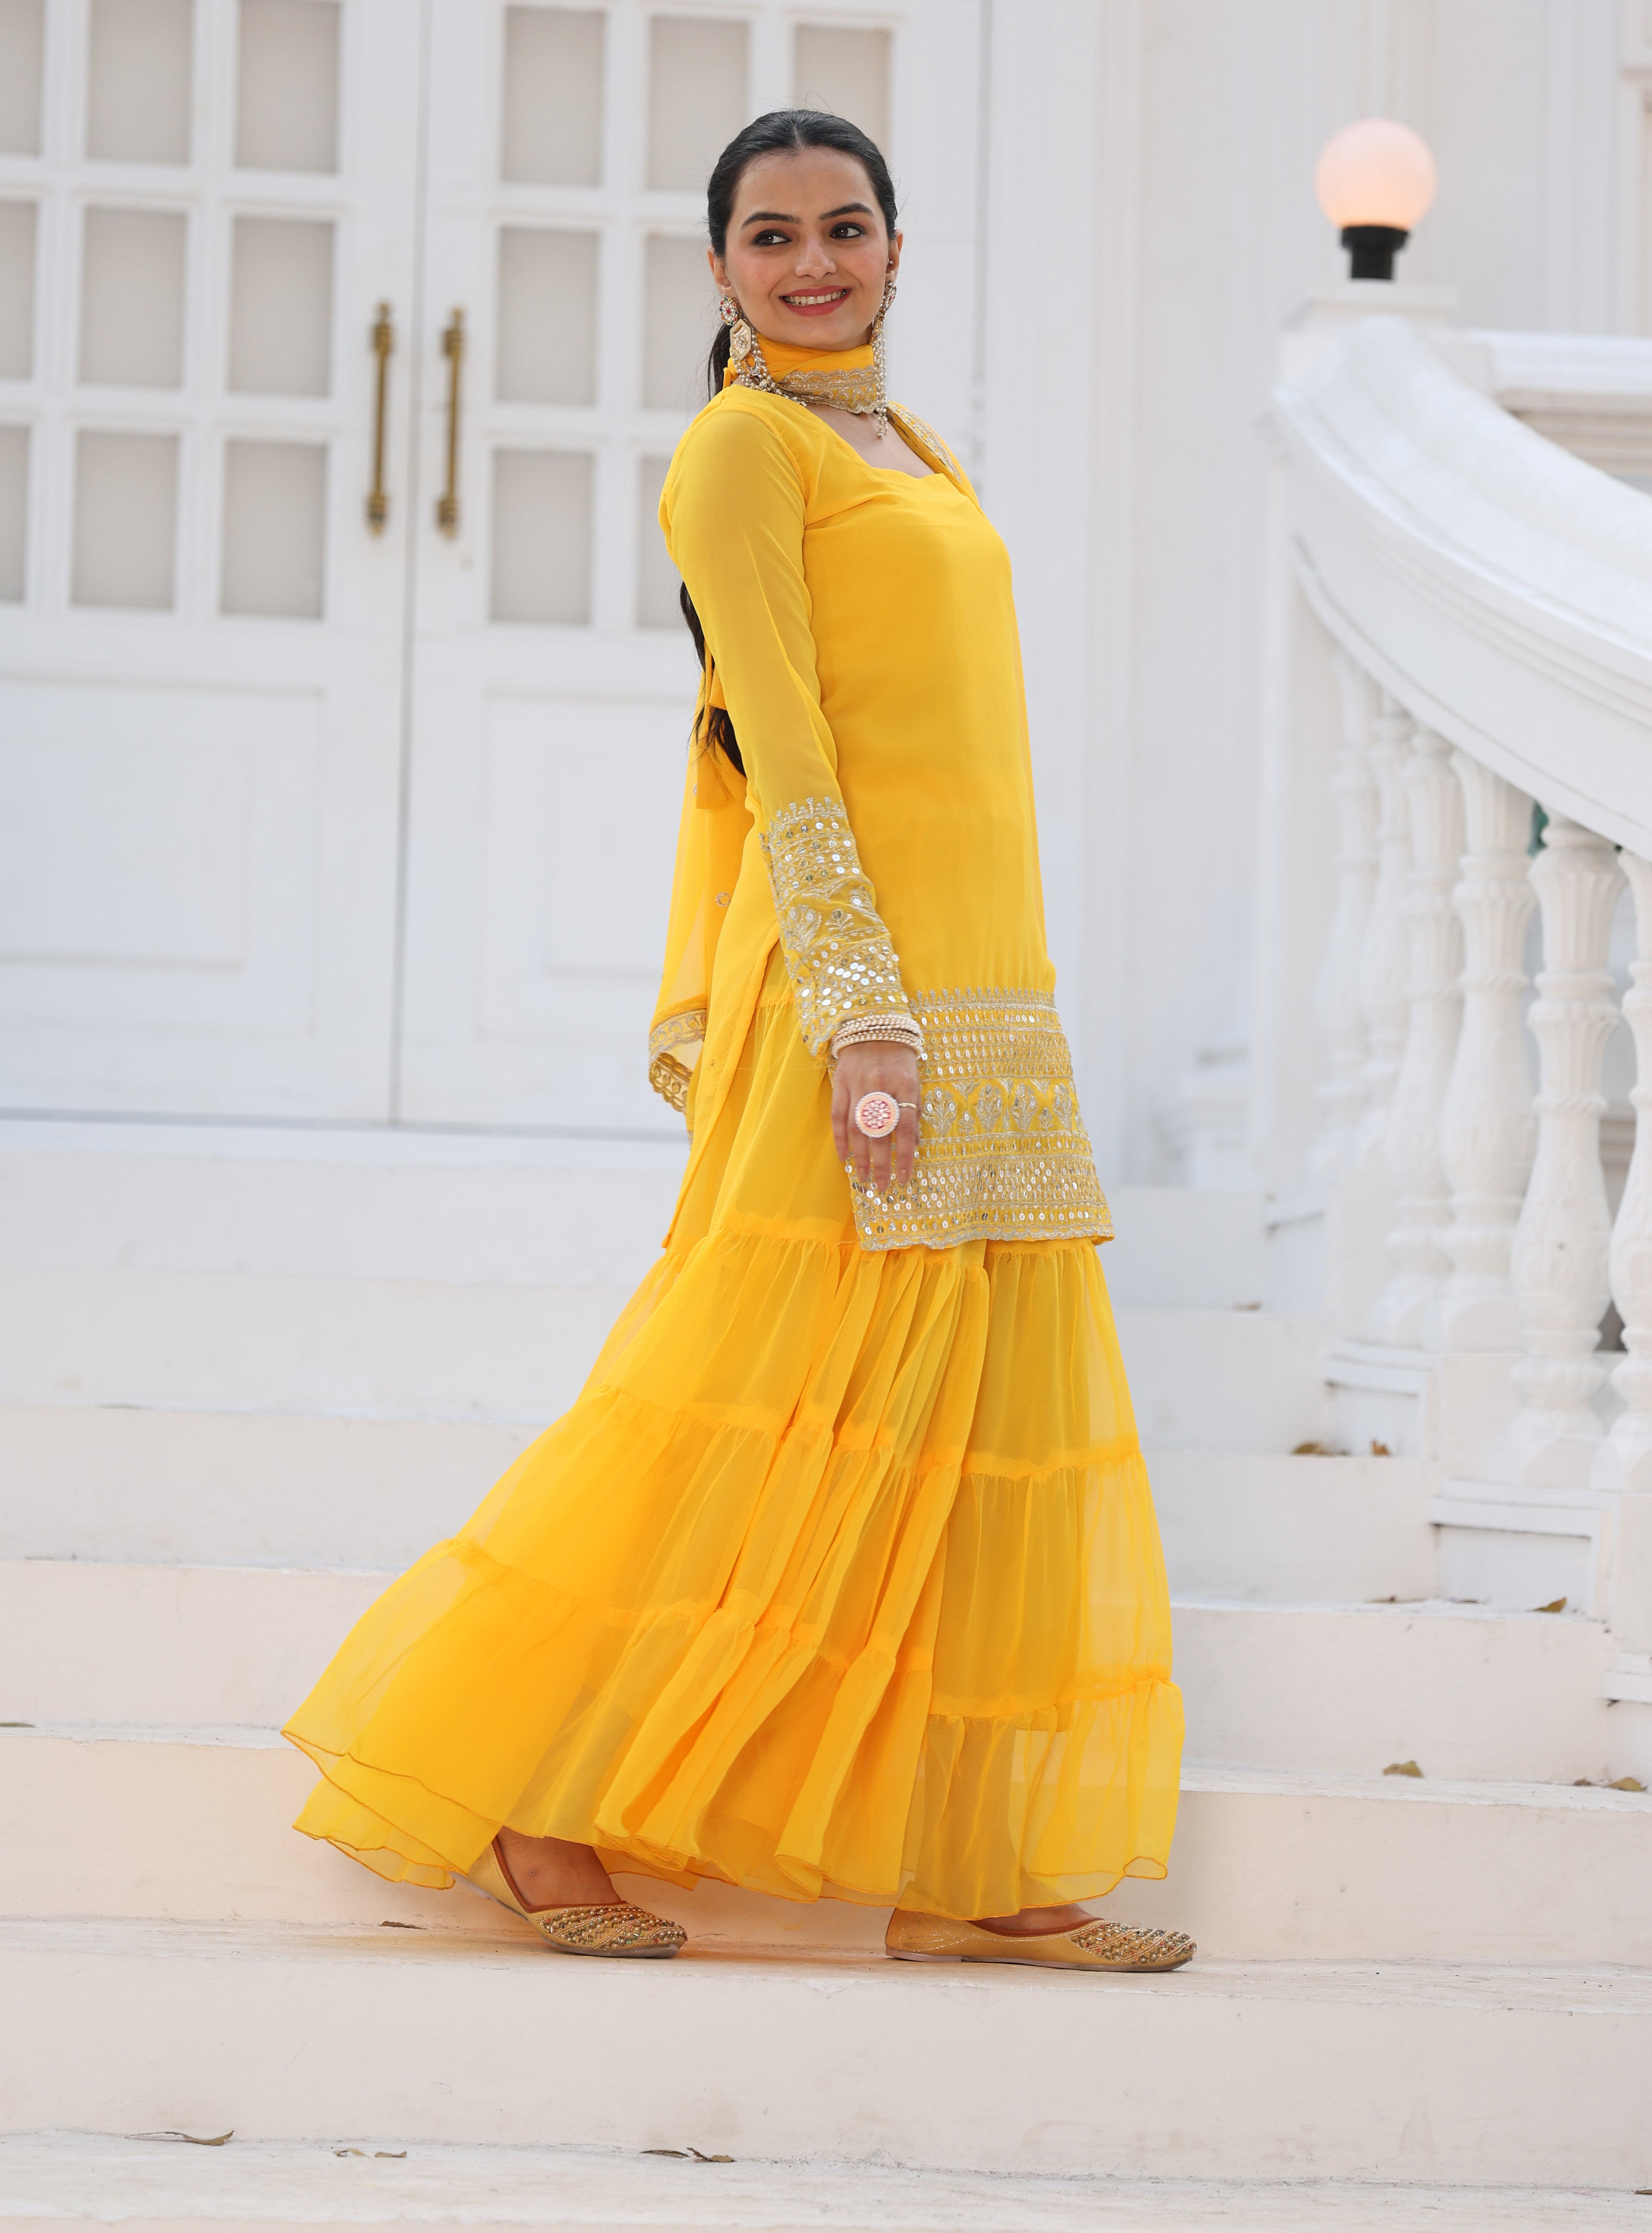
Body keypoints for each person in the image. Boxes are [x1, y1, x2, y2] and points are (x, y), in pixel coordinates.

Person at [285, 108, 1189, 1972]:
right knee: (747, 1402)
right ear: (719, 271)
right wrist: (863, 1021)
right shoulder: (739, 449)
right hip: (866, 1007)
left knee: (973, 1431)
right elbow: (786, 754)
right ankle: (535, 1793)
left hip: (988, 997)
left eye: (845, 228)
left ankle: (970, 1873)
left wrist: (968, 1005)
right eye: (771, 236)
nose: (813, 263)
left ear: (896, 247)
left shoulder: (910, 448)